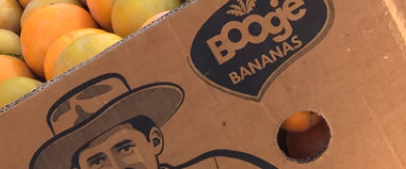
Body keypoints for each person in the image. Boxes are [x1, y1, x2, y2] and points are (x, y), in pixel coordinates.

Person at [29, 74, 278, 169]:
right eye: (97, 162)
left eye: (124, 148)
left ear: (154, 140)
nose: (117, 167)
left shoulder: (220, 167)